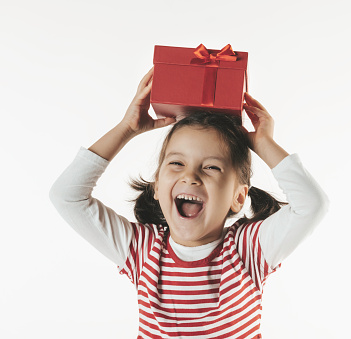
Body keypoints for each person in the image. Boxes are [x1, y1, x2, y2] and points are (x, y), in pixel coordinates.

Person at [50, 67, 329, 338]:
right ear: (158, 186)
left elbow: (311, 205)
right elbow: (66, 196)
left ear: (238, 197)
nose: (190, 176)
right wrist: (126, 129)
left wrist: (263, 142)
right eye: (176, 163)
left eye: (211, 167)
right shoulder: (141, 250)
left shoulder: (250, 250)